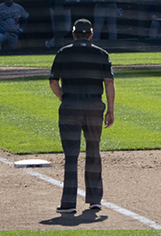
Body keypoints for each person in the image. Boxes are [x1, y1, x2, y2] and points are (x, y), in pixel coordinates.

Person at [49, 18, 115, 215]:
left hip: (70, 106)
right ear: (91, 35)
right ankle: (95, 200)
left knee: (71, 155)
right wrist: (110, 110)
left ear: (73, 33)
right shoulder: (101, 54)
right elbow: (109, 83)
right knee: (93, 150)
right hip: (95, 106)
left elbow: (53, 82)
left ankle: (69, 203)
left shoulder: (63, 53)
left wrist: (65, 98)